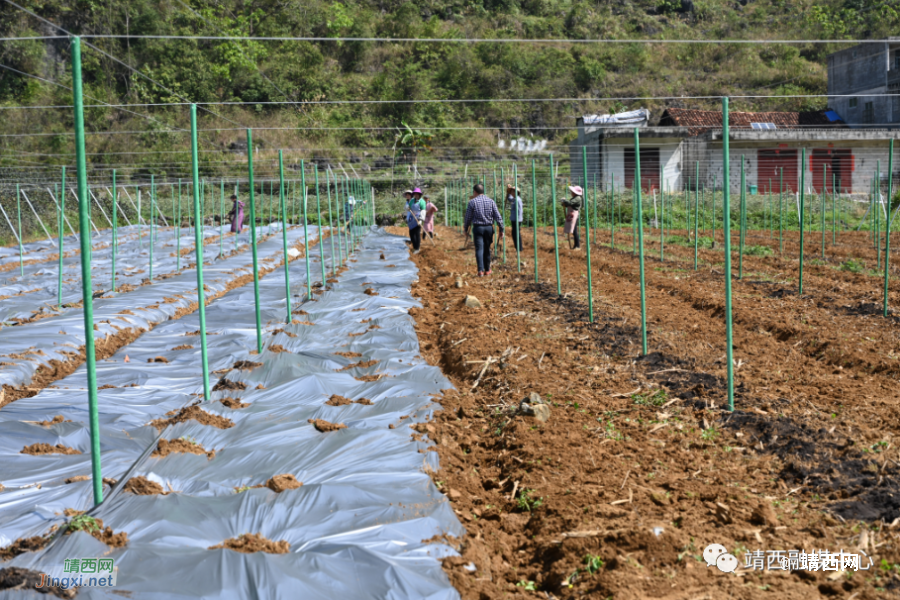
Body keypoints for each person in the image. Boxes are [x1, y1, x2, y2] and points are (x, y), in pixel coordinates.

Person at [463, 183, 504, 277]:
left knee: (479, 249)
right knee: (487, 248)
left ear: (475, 192)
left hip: (478, 228)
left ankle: (480, 270)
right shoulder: (491, 201)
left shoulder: (472, 202)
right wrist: (501, 229)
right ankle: (487, 269)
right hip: (489, 228)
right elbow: (498, 216)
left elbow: (468, 217)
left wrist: (466, 228)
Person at [562, 185, 583, 250]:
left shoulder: (577, 198)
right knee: (574, 232)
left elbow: (570, 203)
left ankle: (577, 246)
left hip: (574, 216)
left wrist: (564, 200)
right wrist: (564, 203)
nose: (571, 193)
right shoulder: (574, 198)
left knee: (574, 232)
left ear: (575, 192)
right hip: (571, 215)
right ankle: (575, 246)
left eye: (572, 192)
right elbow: (568, 204)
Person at [506, 183, 523, 252]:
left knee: (516, 234)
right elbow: (509, 198)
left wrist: (518, 220)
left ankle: (519, 248)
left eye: (512, 191)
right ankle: (518, 248)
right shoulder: (515, 199)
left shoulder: (518, 200)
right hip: (514, 220)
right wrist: (508, 190)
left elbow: (519, 211)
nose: (511, 192)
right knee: (514, 234)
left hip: (516, 220)